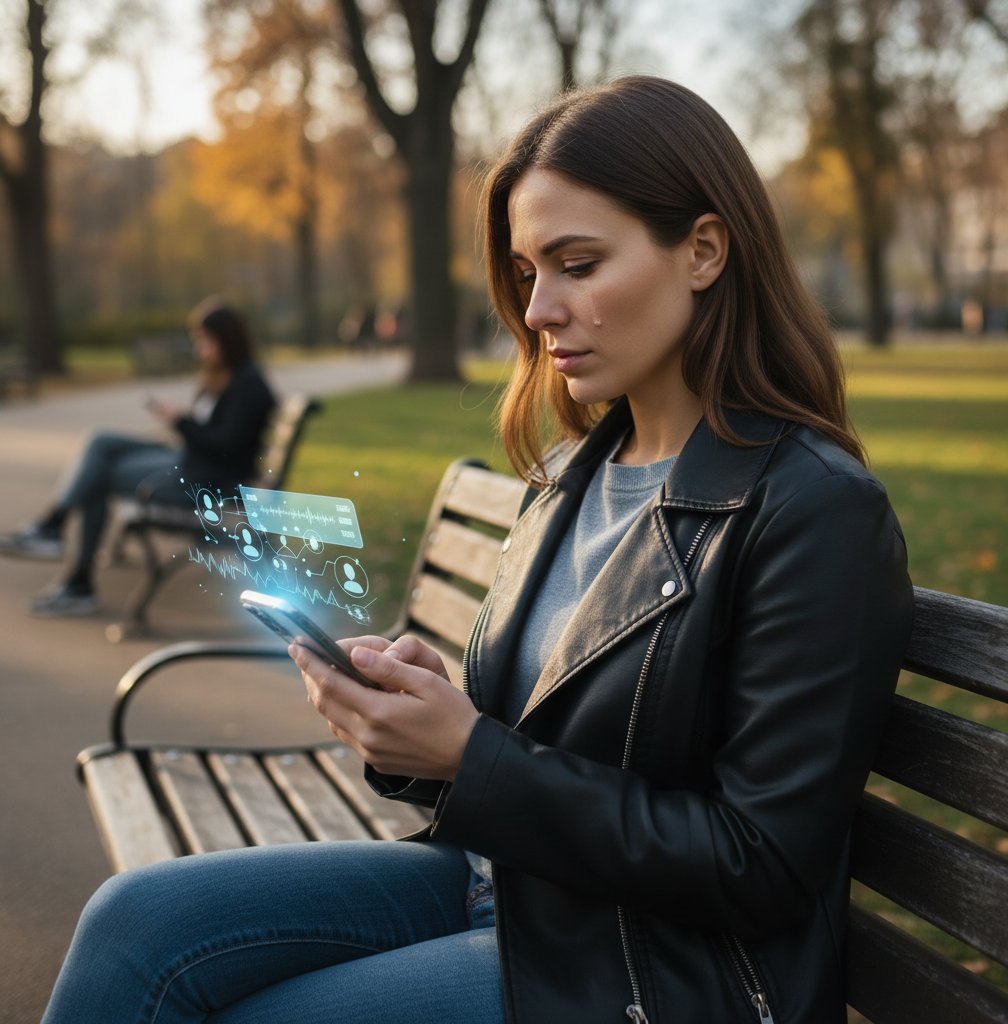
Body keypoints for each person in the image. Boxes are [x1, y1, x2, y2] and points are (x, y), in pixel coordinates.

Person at [41, 77, 913, 1023]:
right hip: (510, 886)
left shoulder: (815, 512)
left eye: (577, 265)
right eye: (530, 271)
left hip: (654, 968)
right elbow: (529, 745)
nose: (537, 310)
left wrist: (476, 756)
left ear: (703, 250)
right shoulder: (577, 471)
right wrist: (423, 729)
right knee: (132, 922)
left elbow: (764, 865)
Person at [0, 298, 276, 616]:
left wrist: (180, 421)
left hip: (204, 481)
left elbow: (227, 447)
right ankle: (53, 531)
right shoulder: (229, 377)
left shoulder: (249, 384)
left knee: (99, 475)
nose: (200, 348)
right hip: (193, 462)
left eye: (205, 340)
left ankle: (71, 569)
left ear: (226, 340)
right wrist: (182, 420)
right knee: (101, 441)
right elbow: (218, 435)